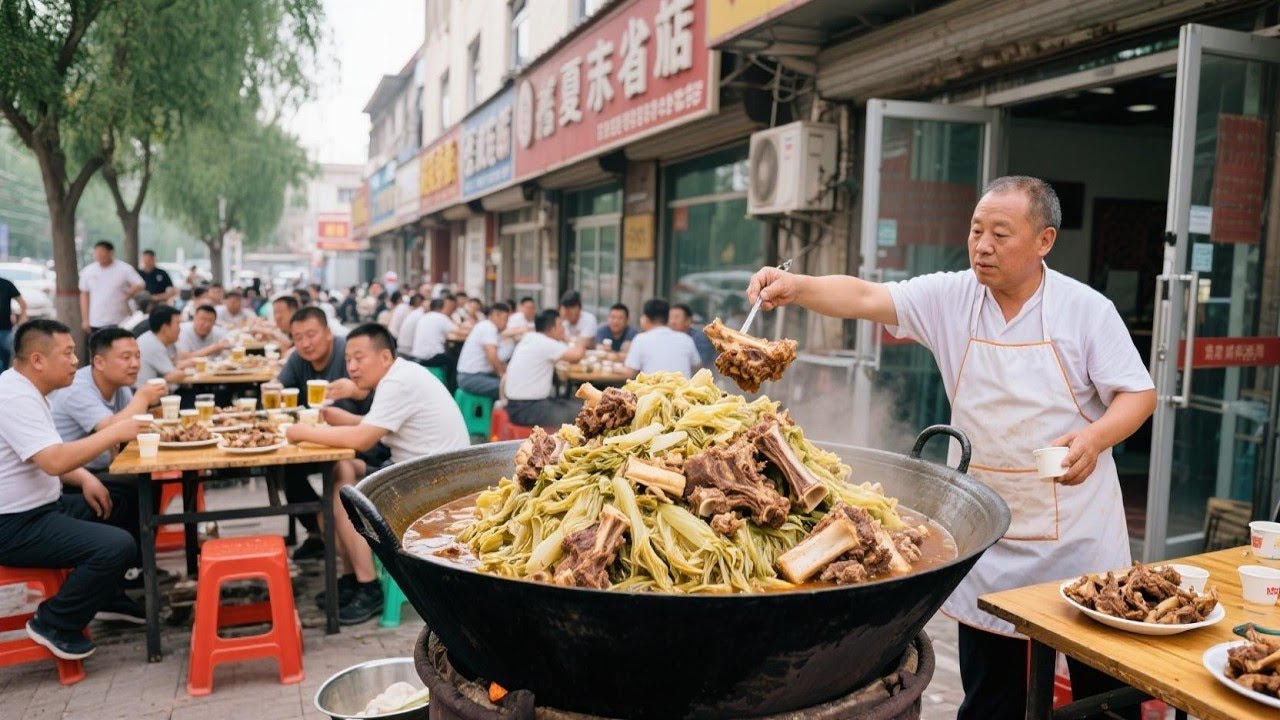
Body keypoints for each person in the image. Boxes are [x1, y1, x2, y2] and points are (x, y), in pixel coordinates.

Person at [747, 176, 1155, 720]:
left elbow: (1139, 393)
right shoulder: (953, 296)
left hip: (1079, 535)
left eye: (1000, 234)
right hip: (993, 533)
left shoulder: (1087, 311)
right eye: (976, 230)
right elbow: (868, 296)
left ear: (1044, 241)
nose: (982, 245)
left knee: (1100, 700)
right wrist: (794, 286)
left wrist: (1095, 437)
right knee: (992, 699)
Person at [286, 323, 467, 623]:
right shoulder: (397, 376)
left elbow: (363, 440)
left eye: (360, 358)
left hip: (435, 483)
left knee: (345, 496)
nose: (352, 367)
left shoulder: (397, 382)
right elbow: (375, 426)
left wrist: (302, 432)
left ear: (384, 357)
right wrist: (343, 418)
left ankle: (368, 587)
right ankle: (351, 578)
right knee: (342, 471)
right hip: (418, 470)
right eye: (348, 360)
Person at [0, 320, 152, 659]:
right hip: (13, 525)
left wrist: (84, 478)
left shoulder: (29, 391)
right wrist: (115, 432)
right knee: (115, 546)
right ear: (38, 360)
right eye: (68, 353)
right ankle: (54, 622)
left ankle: (107, 596)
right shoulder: (13, 397)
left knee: (121, 500)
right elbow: (53, 460)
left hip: (42, 509)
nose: (74, 362)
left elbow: (43, 457)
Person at [277, 307, 389, 561]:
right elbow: (281, 388)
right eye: (298, 337)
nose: (305, 343)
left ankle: (347, 550)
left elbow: (373, 398)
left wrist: (355, 391)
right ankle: (318, 532)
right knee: (288, 471)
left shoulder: (347, 352)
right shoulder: (298, 359)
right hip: (320, 442)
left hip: (366, 446)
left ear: (328, 333)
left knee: (340, 469)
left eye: (312, 334)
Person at [51, 328, 169, 556]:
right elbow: (110, 428)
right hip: (69, 475)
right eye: (126, 357)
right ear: (99, 361)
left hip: (97, 468)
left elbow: (129, 431)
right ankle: (133, 567)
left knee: (147, 485)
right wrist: (142, 398)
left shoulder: (120, 387)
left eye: (137, 356)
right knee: (131, 492)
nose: (135, 364)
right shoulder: (78, 388)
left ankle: (140, 565)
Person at [502, 309, 586, 428]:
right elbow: (576, 355)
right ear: (552, 329)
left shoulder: (530, 338)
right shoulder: (545, 343)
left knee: (573, 404)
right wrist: (580, 341)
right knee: (584, 413)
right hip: (527, 409)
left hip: (515, 405)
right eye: (560, 325)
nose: (563, 329)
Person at [622, 298, 701, 377]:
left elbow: (629, 373)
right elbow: (697, 367)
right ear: (668, 318)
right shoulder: (686, 339)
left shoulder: (640, 339)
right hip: (683, 389)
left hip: (652, 389)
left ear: (645, 318)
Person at [78, 241, 144, 334]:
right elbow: (84, 295)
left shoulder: (124, 268)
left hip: (120, 319)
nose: (99, 255)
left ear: (111, 252)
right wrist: (85, 320)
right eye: (96, 252)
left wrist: (130, 292)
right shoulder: (88, 271)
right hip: (96, 320)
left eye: (102, 252)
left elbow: (140, 283)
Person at [456, 302, 510, 399]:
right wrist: (502, 375)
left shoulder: (486, 326)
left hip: (478, 376)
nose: (506, 324)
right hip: (471, 378)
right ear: (496, 315)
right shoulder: (488, 327)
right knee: (509, 388)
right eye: (505, 319)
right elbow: (492, 356)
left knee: (510, 383)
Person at [136, 306, 194, 387]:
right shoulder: (152, 343)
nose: (180, 329)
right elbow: (174, 376)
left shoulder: (166, 342)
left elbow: (175, 367)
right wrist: (180, 372)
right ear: (165, 328)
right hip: (149, 395)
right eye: (177, 324)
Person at [670, 303, 717, 371]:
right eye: (670, 317)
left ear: (688, 321)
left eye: (676, 317)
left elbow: (702, 366)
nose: (672, 321)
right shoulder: (666, 339)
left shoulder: (700, 339)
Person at [410, 297, 455, 366]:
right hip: (431, 357)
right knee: (454, 361)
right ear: (443, 307)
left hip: (416, 356)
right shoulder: (441, 317)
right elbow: (457, 331)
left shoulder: (424, 317)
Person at [0, 273, 27, 371]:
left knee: (5, 358)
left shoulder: (6, 284)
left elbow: (22, 303)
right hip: (5, 329)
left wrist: (22, 319)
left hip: (5, 329)